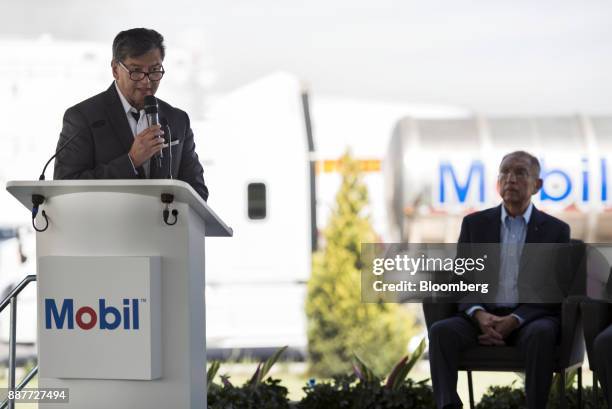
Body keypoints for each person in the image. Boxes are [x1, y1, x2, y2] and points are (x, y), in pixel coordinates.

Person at [428, 150, 570, 409]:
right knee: (441, 332)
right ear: (497, 183)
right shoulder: (474, 225)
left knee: (543, 333)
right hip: (480, 318)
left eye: (520, 173)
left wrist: (514, 320)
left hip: (530, 320)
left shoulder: (556, 231)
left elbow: (554, 291)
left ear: (537, 185)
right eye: (505, 172)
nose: (510, 179)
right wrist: (479, 314)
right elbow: (462, 280)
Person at [53, 28, 208, 201]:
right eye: (136, 71)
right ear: (115, 70)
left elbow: (198, 191)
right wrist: (131, 161)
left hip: (164, 226)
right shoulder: (83, 117)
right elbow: (64, 188)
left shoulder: (177, 120)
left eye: (155, 70)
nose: (146, 80)